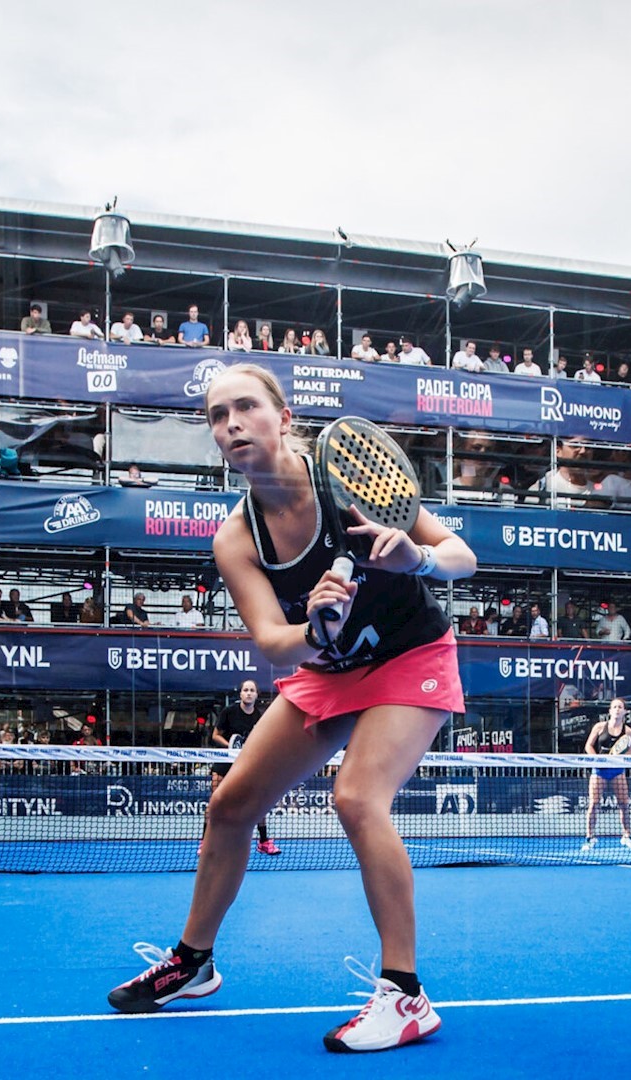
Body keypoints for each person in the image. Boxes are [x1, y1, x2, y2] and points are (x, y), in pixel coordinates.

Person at [107, 363, 474, 1056]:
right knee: (231, 806)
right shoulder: (236, 537)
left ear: (282, 416)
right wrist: (316, 630)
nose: (232, 424)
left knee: (358, 798)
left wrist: (416, 561)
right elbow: (276, 647)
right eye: (218, 416)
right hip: (329, 670)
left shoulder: (350, 483)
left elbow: (463, 555)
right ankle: (194, 962)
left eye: (246, 407)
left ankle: (407, 996)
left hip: (410, 656)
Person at [208, 680, 277, 855]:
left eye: (252, 690)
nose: (248, 693)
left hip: (246, 761)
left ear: (256, 695)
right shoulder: (229, 712)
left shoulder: (258, 717)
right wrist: (231, 748)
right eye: (245, 690)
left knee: (258, 801)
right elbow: (215, 735)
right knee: (215, 802)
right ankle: (206, 841)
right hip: (225, 760)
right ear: (240, 694)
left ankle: (263, 841)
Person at [581, 698, 631, 851]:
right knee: (594, 804)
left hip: (617, 771)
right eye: (614, 707)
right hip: (599, 770)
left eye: (620, 707)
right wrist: (598, 759)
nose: (617, 709)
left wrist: (619, 759)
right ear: (610, 711)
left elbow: (630, 751)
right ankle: (589, 837)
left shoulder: (628, 731)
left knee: (624, 804)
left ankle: (626, 836)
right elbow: (588, 746)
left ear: (625, 711)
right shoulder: (600, 727)